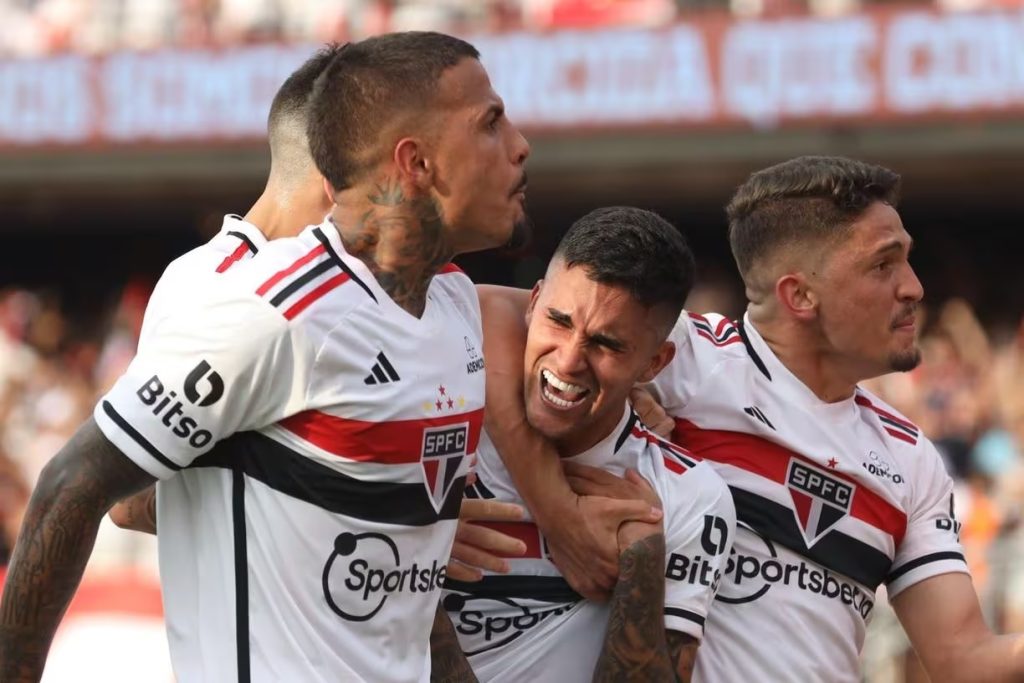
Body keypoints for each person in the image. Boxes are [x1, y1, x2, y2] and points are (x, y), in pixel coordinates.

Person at [0, 31, 530, 683]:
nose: (520, 145)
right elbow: (78, 486)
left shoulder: (452, 302)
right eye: (491, 123)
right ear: (415, 161)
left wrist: (404, 519)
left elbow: (409, 594)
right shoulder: (269, 308)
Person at [491, 156, 1024, 682]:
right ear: (800, 295)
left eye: (906, 261)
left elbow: (963, 659)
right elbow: (489, 311)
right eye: (883, 266)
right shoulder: (688, 356)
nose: (913, 287)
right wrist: (557, 512)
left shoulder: (910, 457)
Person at [109, 44, 527, 587]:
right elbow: (126, 499)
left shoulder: (396, 289)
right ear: (336, 176)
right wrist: (390, 521)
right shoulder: (215, 284)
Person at [436, 207, 735, 682]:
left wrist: (640, 569)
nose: (569, 360)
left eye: (606, 344)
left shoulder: (687, 496)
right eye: (558, 321)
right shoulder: (435, 443)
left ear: (654, 363)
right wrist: (414, 546)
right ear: (533, 302)